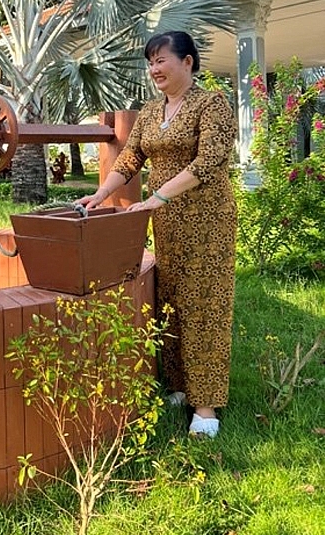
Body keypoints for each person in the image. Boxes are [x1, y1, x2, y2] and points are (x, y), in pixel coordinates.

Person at [79, 30, 237, 438]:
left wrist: (158, 197)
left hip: (207, 220)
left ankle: (206, 406)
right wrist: (100, 195)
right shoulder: (150, 111)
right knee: (170, 299)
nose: (154, 69)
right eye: (150, 62)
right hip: (165, 221)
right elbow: (130, 157)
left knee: (204, 305)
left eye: (161, 60)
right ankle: (182, 386)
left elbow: (210, 161)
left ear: (187, 62)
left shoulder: (211, 103)